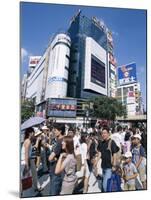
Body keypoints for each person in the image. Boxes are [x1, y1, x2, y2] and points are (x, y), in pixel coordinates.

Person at [97, 126, 119, 192]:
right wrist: (95, 162)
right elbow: (100, 153)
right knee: (106, 185)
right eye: (102, 133)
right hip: (103, 166)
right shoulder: (101, 143)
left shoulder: (112, 142)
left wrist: (114, 166)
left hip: (109, 167)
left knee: (105, 185)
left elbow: (114, 154)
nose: (103, 134)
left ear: (108, 134)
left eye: (105, 133)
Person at [48, 123, 65, 195]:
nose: (53, 132)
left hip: (56, 170)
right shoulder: (60, 140)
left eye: (55, 130)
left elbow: (50, 158)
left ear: (60, 131)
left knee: (53, 192)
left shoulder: (60, 142)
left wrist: (54, 157)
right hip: (57, 169)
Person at [21, 127, 34, 193]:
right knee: (22, 180)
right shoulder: (28, 141)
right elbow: (26, 154)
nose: (33, 134)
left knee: (23, 180)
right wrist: (27, 165)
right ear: (30, 133)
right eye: (33, 132)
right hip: (24, 162)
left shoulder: (27, 140)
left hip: (24, 161)